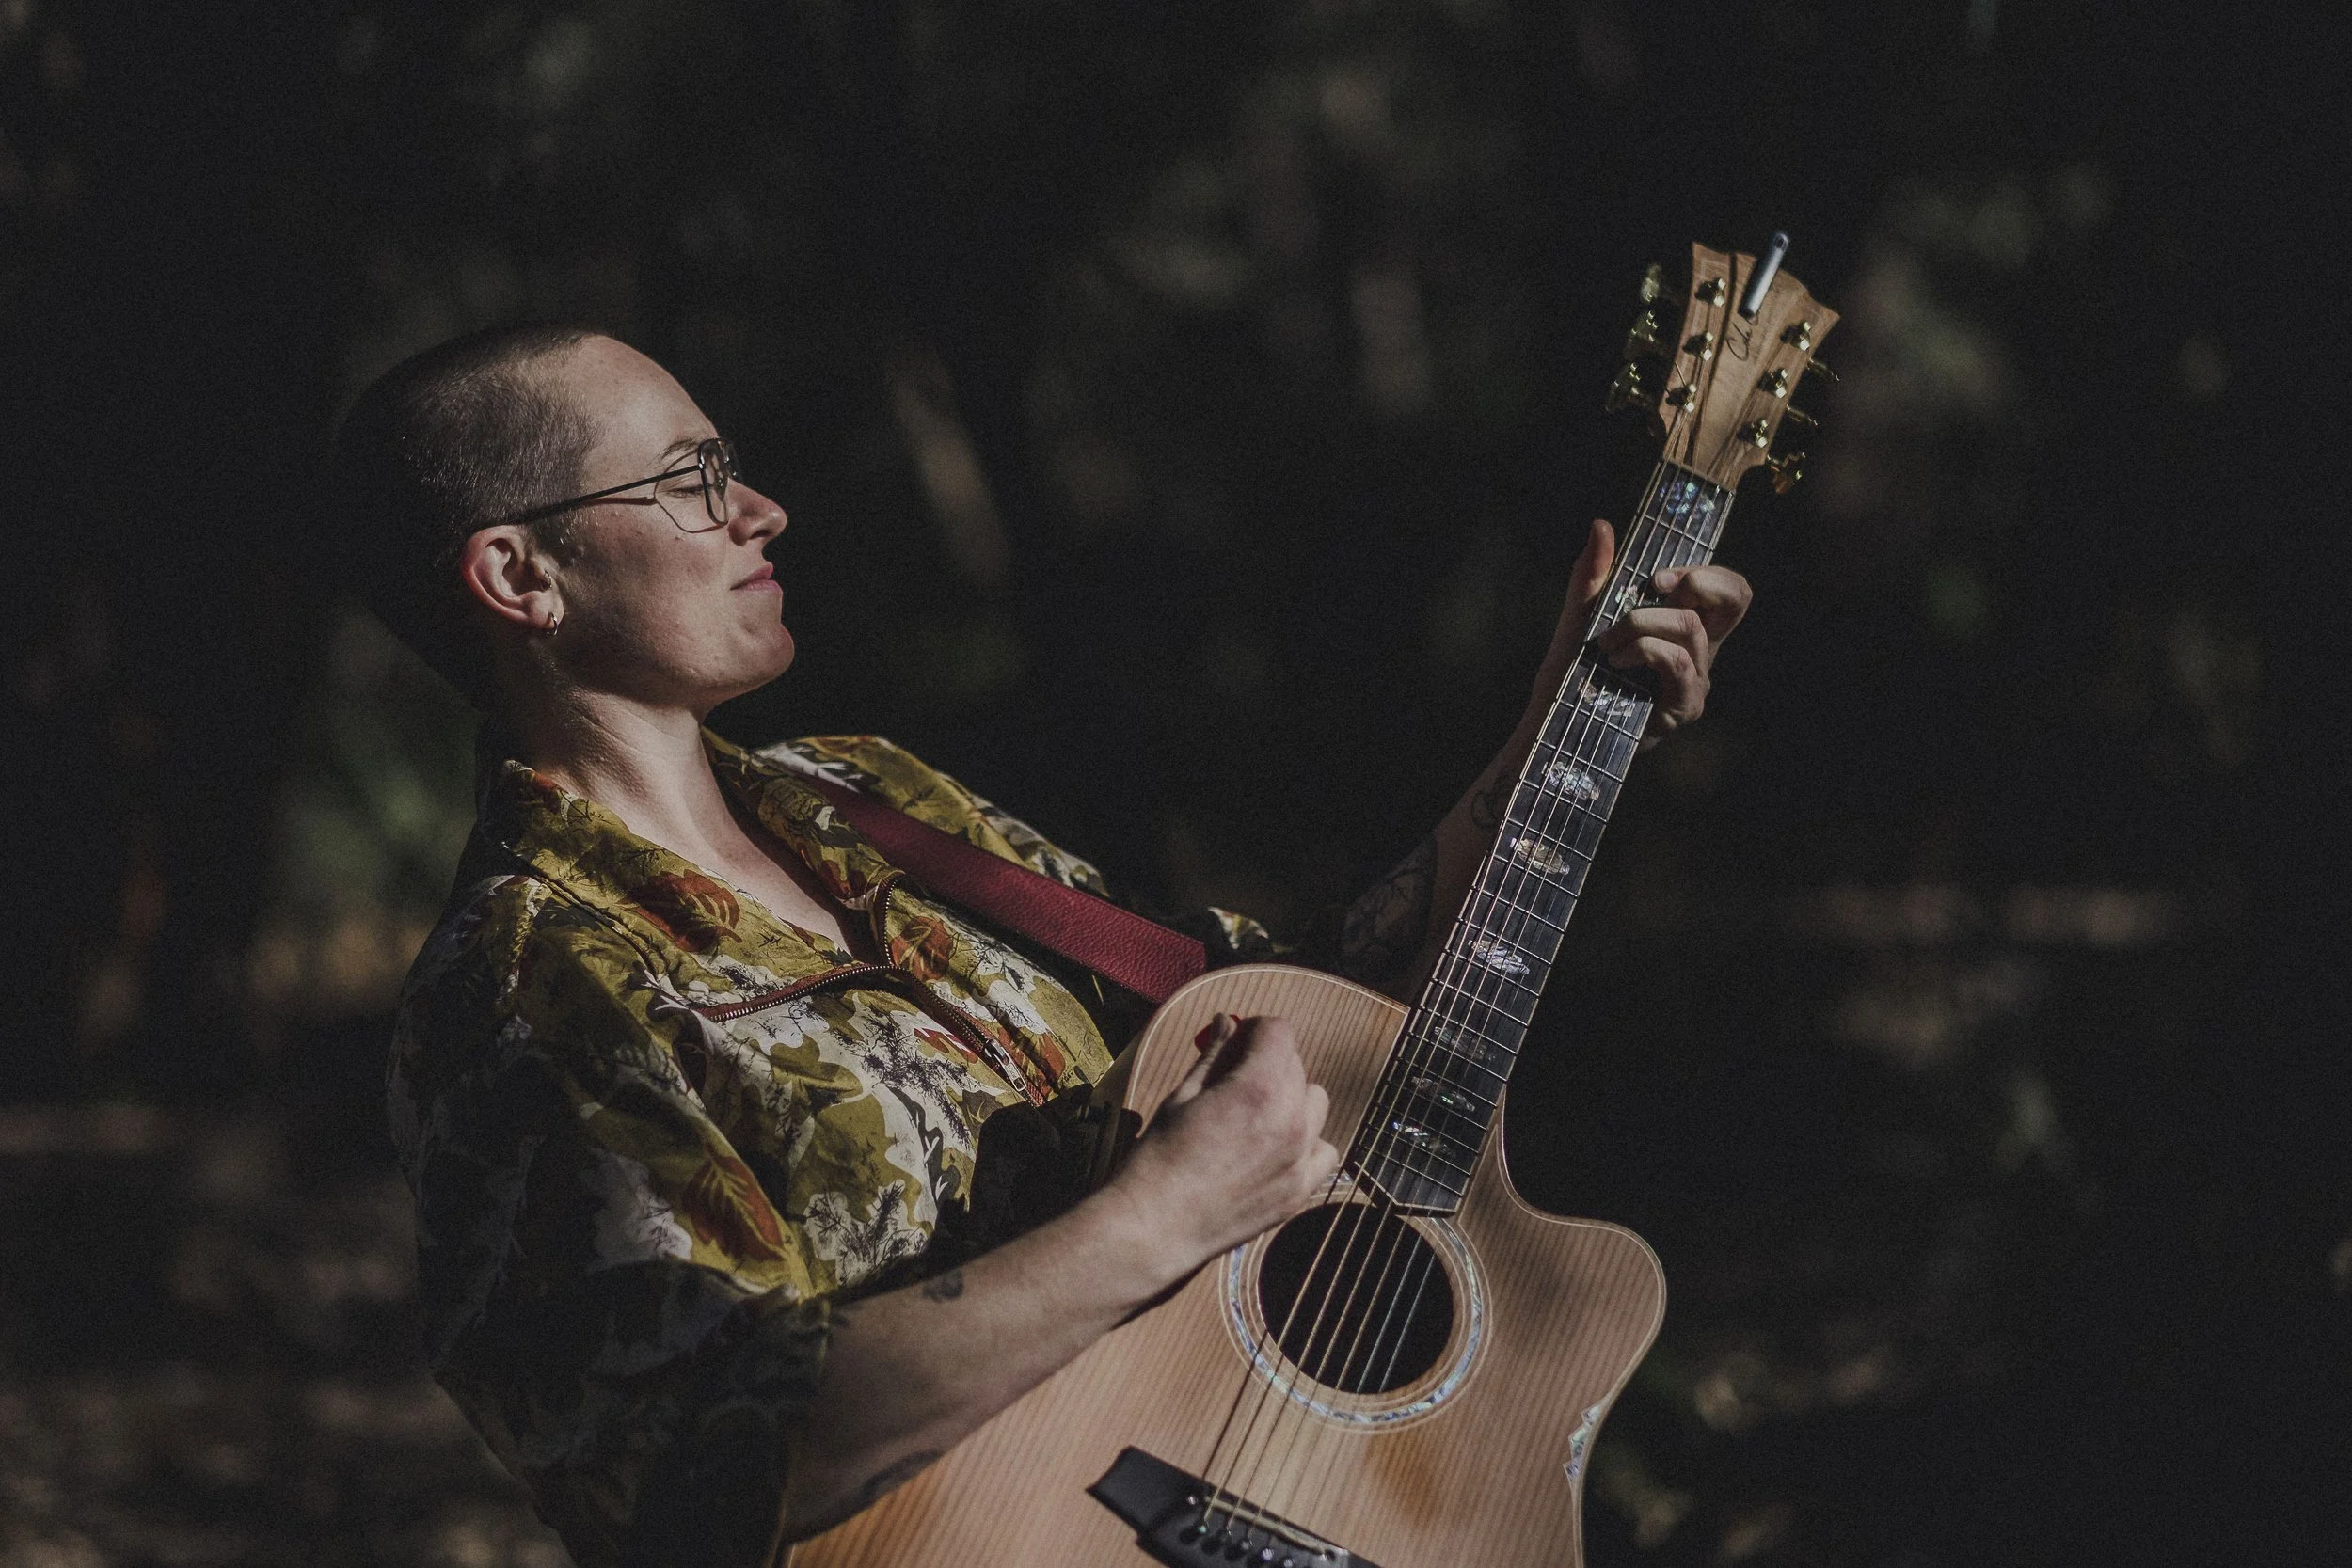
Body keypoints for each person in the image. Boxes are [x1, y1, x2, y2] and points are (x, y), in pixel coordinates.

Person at [339, 323, 1752, 1568]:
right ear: (521, 573)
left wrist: (1560, 727)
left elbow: (1295, 1010)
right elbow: (684, 1466)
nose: (760, 509)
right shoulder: (525, 992)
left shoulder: (870, 799)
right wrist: (1162, 1218)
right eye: (692, 480)